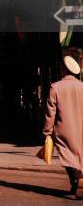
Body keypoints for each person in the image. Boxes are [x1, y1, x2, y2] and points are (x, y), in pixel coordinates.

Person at [43, 56, 83, 199]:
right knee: (79, 157)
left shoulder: (56, 87)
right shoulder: (82, 86)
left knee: (67, 157)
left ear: (64, 70)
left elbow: (50, 112)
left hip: (64, 129)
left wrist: (47, 131)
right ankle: (76, 186)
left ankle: (78, 180)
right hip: (81, 129)